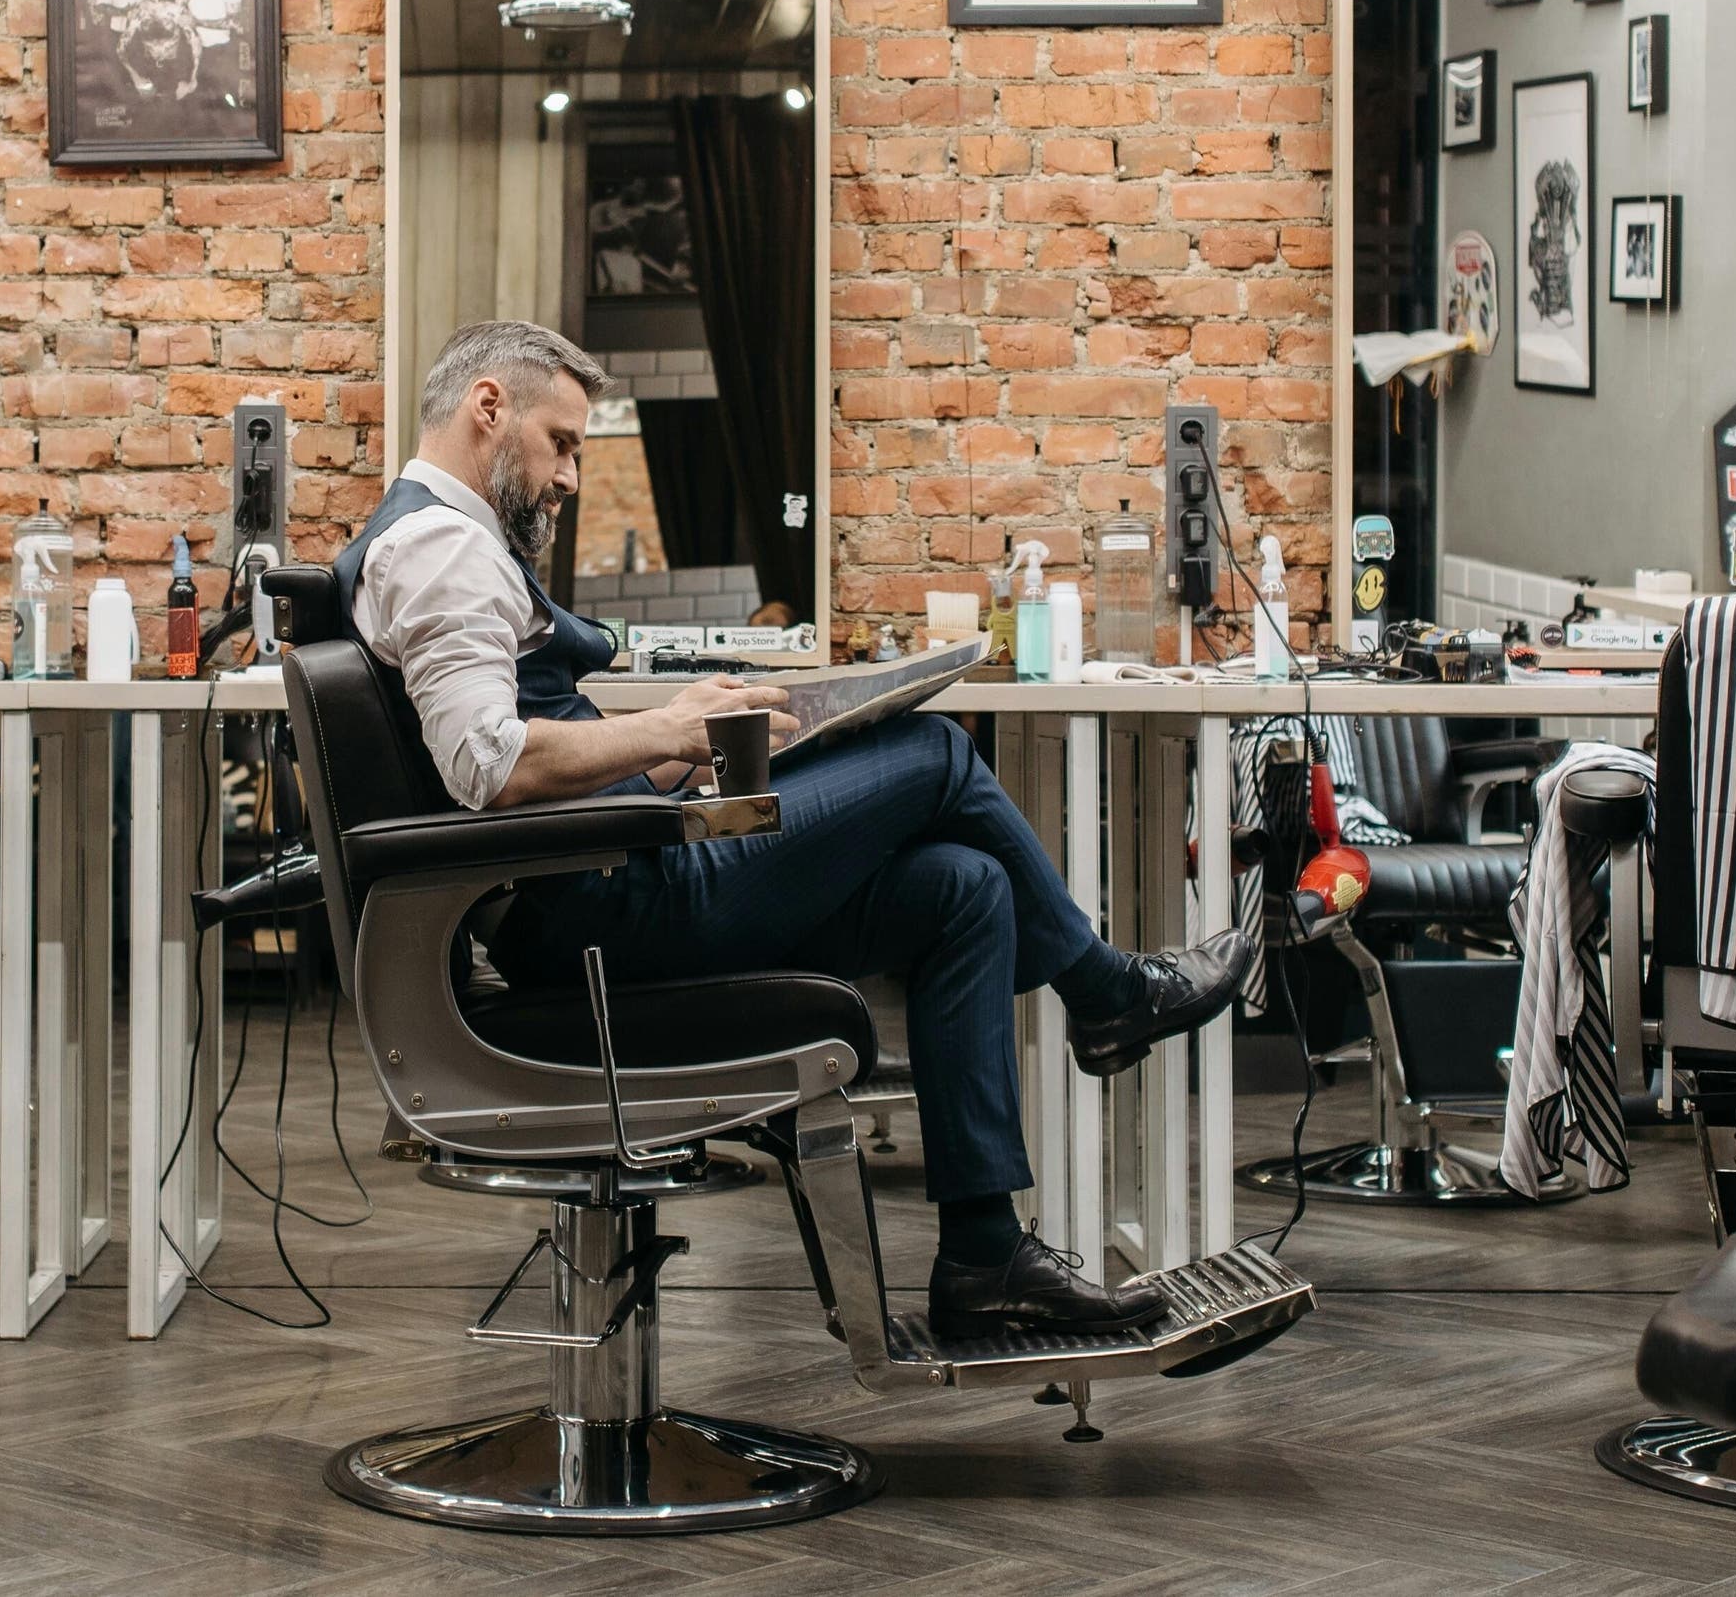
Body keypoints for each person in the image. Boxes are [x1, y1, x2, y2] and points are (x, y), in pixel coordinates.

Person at [340, 319, 1257, 1348]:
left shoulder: (445, 539)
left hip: (608, 884)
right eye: (563, 443)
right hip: (608, 918)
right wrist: (670, 727)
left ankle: (983, 1255)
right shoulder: (440, 546)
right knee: (936, 755)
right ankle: (1108, 994)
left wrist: (684, 747)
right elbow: (489, 767)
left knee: (964, 886)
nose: (569, 477)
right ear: (488, 409)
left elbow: (521, 754)